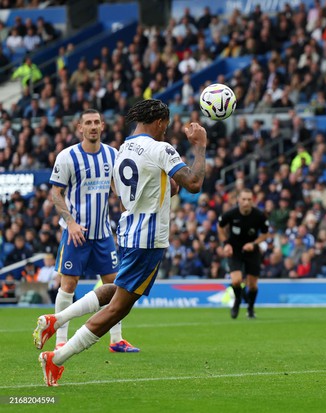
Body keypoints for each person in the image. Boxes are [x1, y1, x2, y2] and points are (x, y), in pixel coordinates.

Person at [34, 99, 207, 386]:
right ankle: (56, 359)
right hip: (149, 237)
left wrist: (164, 181)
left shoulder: (124, 148)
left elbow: (165, 187)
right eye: (166, 125)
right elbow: (193, 184)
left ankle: (56, 319)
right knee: (119, 307)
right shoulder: (160, 148)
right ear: (160, 122)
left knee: (116, 287)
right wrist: (199, 146)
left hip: (127, 230)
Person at [44, 109, 138, 353]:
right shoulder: (67, 156)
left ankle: (116, 340)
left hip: (103, 233)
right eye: (88, 123)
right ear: (80, 128)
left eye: (97, 122)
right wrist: (71, 223)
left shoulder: (112, 154)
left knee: (116, 285)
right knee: (68, 285)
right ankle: (60, 340)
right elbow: (56, 192)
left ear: (102, 126)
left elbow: (118, 189)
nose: (93, 126)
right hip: (76, 232)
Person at [218, 188, 271, 319]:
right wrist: (226, 244)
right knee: (236, 281)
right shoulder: (231, 213)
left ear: (253, 200)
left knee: (252, 285)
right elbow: (220, 226)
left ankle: (250, 309)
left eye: (249, 199)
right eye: (243, 199)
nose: (246, 202)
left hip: (252, 252)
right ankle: (237, 301)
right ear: (238, 200)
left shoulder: (259, 215)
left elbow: (265, 234)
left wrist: (253, 244)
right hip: (235, 250)